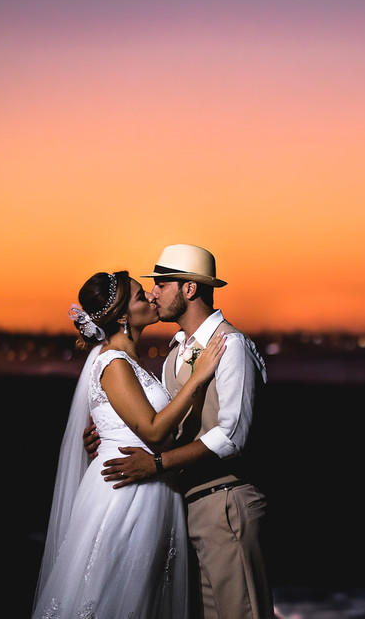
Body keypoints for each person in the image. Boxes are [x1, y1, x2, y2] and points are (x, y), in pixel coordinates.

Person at [91, 244, 274, 619]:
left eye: (162, 284)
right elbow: (168, 425)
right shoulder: (176, 353)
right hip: (188, 506)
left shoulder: (230, 345)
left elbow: (232, 436)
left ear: (189, 289)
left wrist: (158, 464)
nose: (153, 293)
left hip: (226, 501)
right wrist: (113, 435)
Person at [33, 271, 226, 619]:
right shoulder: (114, 362)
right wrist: (199, 377)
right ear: (123, 316)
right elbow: (152, 432)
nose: (152, 298)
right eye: (141, 296)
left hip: (151, 486)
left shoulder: (133, 362)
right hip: (125, 491)